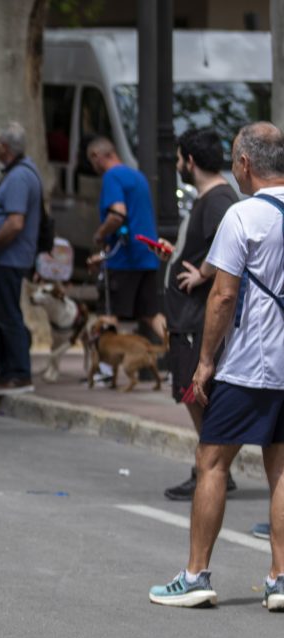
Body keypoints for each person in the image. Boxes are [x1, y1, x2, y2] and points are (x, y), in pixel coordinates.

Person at [149, 122, 284, 610]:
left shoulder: (243, 216)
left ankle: (196, 573)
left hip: (249, 362)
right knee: (281, 468)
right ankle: (280, 577)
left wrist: (205, 362)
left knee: (212, 462)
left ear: (245, 164)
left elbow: (223, 295)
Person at [154, 128, 240, 501]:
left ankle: (211, 466)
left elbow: (228, 237)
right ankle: (212, 465)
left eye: (178, 159)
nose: (176, 165)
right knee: (192, 393)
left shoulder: (219, 198)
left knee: (196, 392)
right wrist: (178, 255)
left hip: (195, 319)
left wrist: (203, 271)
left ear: (189, 161)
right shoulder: (209, 197)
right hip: (187, 316)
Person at [0, 121, 42, 395]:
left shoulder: (19, 177)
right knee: (2, 314)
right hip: (7, 258)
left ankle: (18, 372)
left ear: (3, 147)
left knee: (8, 315)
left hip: (9, 257)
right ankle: (7, 371)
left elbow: (15, 223)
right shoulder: (19, 172)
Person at [87, 136, 160, 327]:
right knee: (151, 315)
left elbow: (117, 214)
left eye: (91, 160)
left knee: (109, 314)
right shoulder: (138, 176)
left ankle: (106, 358)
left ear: (97, 156)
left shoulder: (112, 176)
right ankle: (177, 351)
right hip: (147, 255)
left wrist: (99, 235)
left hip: (123, 259)